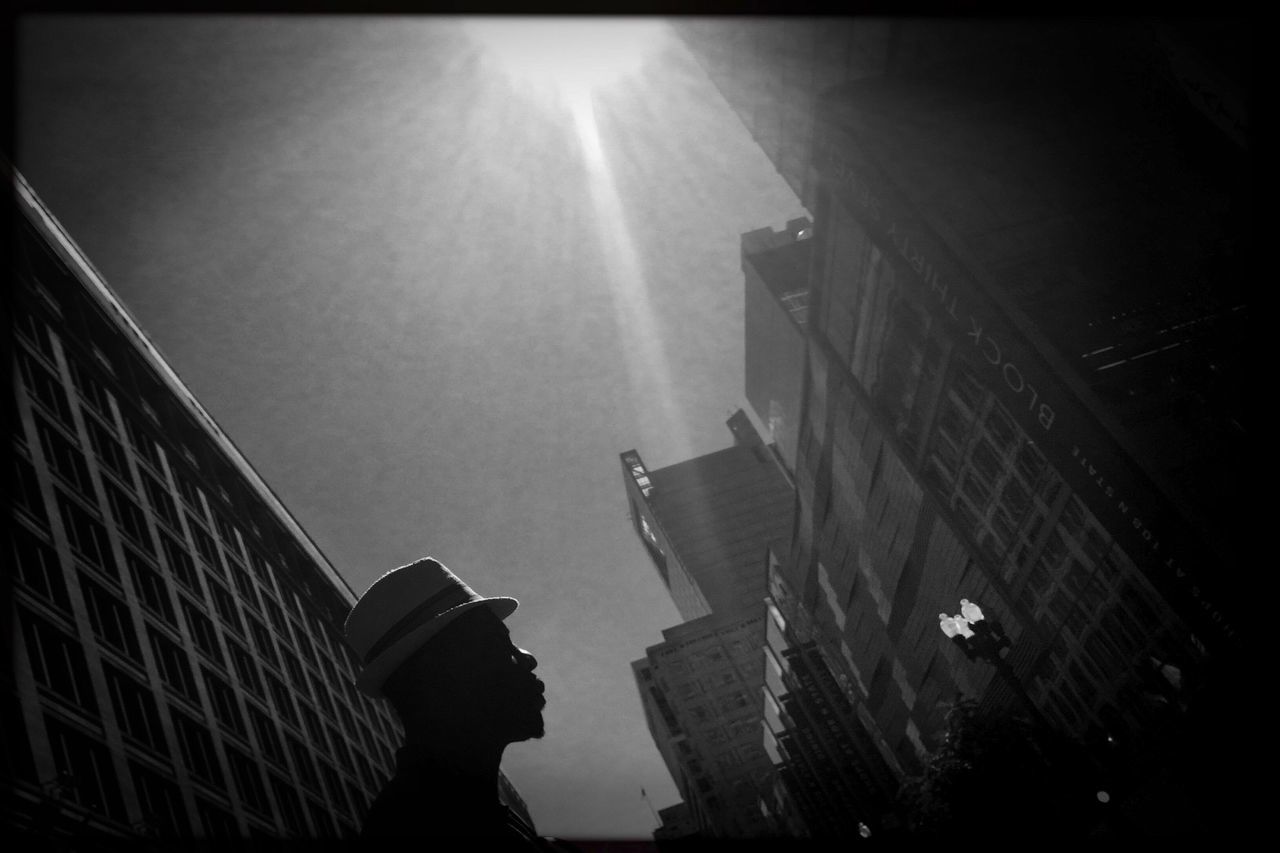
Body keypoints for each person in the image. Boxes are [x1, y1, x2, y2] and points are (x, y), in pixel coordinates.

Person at [343, 557, 558, 846]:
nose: (527, 658)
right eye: (495, 645)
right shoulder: (423, 826)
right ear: (438, 680)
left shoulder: (441, 811)